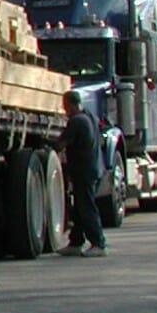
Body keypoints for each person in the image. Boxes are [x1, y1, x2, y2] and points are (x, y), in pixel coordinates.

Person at [59, 88, 108, 255]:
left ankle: (98, 243)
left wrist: (48, 143)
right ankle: (76, 242)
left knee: (87, 207)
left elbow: (62, 143)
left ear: (70, 105)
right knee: (80, 207)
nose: (65, 110)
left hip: (84, 171)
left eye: (65, 106)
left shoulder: (77, 121)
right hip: (94, 169)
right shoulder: (90, 117)